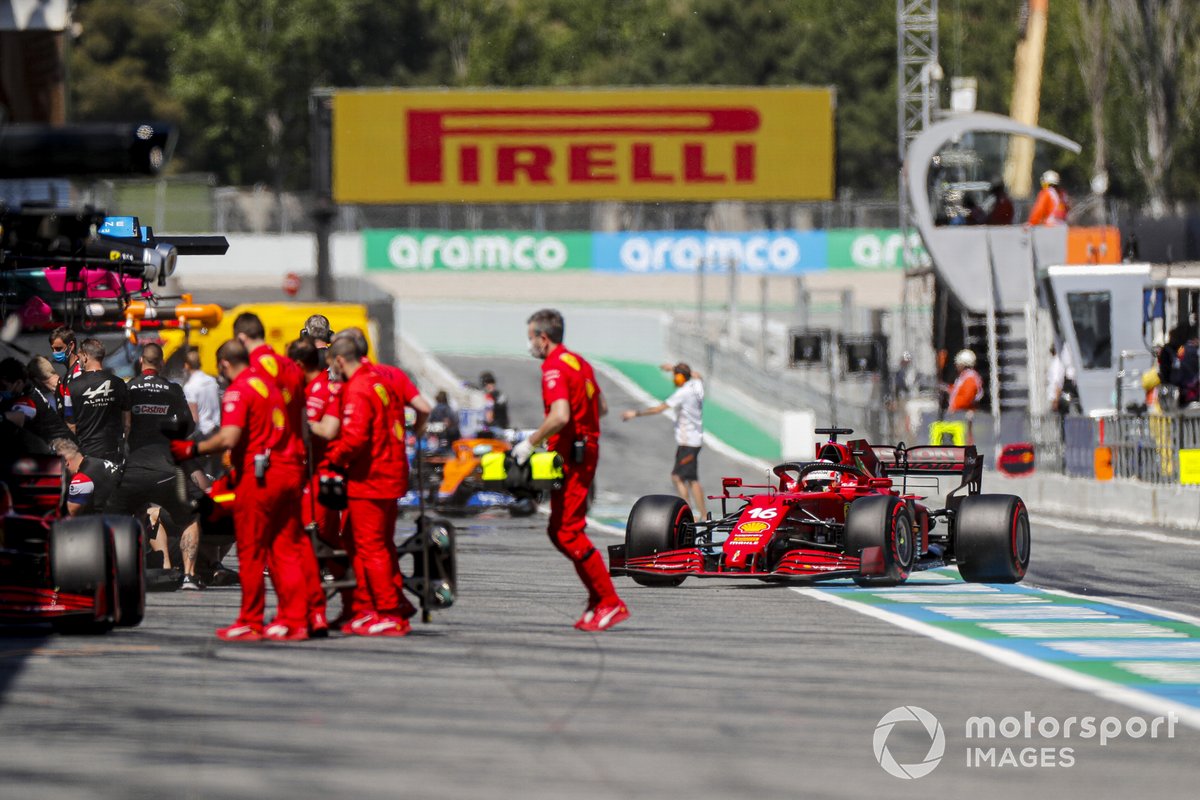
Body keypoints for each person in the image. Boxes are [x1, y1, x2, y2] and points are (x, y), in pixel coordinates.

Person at [169, 339, 310, 641]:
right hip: (287, 472)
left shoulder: (239, 389)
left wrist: (191, 448)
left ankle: (251, 619)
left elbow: (229, 436)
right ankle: (294, 618)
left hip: (258, 480)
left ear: (224, 364)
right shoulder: (269, 385)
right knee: (285, 551)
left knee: (252, 553)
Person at [513, 308, 628, 632]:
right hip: (582, 449)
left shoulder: (554, 367)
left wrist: (530, 443)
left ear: (542, 337)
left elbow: (560, 415)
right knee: (558, 529)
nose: (529, 344)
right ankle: (597, 599)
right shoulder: (579, 362)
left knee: (567, 530)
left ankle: (609, 601)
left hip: (573, 456)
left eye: (530, 338)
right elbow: (601, 407)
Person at [233, 311, 327, 634]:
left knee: (265, 548)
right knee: (298, 543)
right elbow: (302, 417)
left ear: (242, 339)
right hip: (295, 462)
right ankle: (314, 613)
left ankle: (267, 618)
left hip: (264, 464)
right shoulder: (291, 367)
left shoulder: (253, 371)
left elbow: (248, 422)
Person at [321, 335, 412, 637]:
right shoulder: (379, 381)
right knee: (362, 542)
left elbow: (356, 437)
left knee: (371, 546)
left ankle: (388, 611)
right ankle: (370, 607)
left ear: (339, 360)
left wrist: (333, 458)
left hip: (370, 478)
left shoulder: (358, 387)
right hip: (387, 473)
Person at [107, 343, 205, 589]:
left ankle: (122, 572)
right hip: (166, 469)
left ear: (141, 361)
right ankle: (189, 577)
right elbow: (189, 427)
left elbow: (118, 426)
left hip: (132, 469)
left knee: (116, 516)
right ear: (160, 363)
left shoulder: (128, 388)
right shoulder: (173, 390)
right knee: (191, 517)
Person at [621, 362, 706, 516]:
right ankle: (701, 514)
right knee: (691, 478)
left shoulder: (683, 393)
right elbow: (698, 375)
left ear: (680, 378)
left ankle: (691, 513)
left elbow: (659, 409)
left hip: (688, 442)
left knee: (678, 477)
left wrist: (635, 413)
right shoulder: (696, 385)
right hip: (695, 439)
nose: (674, 379)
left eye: (675, 376)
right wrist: (674, 368)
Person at [69, 338, 131, 465]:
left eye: (79, 356)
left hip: (86, 454)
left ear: (85, 356)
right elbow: (127, 424)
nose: (79, 360)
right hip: (113, 453)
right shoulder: (119, 384)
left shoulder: (72, 386)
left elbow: (71, 425)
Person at [2, 357, 76, 448]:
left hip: (64, 448)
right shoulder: (28, 386)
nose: (1, 390)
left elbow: (20, 416)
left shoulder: (28, 398)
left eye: (3, 386)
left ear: (18, 382)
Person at [51, 438, 119, 516]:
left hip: (109, 521)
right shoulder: (96, 461)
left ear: (65, 462)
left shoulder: (81, 478)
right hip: (124, 514)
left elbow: (72, 513)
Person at [182, 346, 221, 439]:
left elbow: (194, 418)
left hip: (203, 433)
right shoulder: (212, 381)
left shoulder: (190, 386)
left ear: (187, 365)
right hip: (217, 429)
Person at [48, 326, 81, 425]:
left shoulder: (79, 371)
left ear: (71, 346)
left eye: (58, 349)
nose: (55, 353)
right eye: (52, 349)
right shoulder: (66, 376)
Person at [946, 349, 983, 414]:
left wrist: (955, 407)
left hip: (963, 414)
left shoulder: (970, 378)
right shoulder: (964, 377)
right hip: (959, 413)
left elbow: (967, 398)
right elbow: (960, 391)